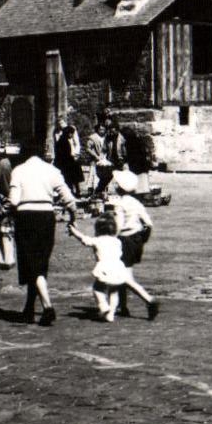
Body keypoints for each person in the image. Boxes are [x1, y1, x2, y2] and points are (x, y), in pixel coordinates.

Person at [7, 139, 79, 325]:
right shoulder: (52, 170)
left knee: (31, 264)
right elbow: (68, 198)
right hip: (47, 217)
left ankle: (47, 307)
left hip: (25, 217)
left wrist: (5, 213)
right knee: (40, 262)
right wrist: (73, 217)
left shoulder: (19, 171)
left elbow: (14, 201)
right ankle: (29, 308)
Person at [69, 212, 159, 322]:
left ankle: (104, 307)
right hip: (118, 269)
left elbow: (84, 240)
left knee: (98, 289)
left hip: (105, 268)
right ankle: (110, 313)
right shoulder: (117, 241)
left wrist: (74, 232)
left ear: (98, 229)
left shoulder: (98, 240)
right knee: (114, 291)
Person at [109, 168, 154, 317]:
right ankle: (123, 306)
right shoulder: (136, 203)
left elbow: (119, 225)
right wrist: (143, 238)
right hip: (136, 240)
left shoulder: (120, 204)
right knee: (124, 271)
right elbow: (148, 223)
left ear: (119, 188)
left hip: (124, 240)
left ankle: (148, 300)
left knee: (125, 276)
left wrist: (111, 240)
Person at [53, 122, 83, 196]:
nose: (72, 135)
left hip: (65, 161)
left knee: (73, 174)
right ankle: (73, 192)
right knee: (71, 176)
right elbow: (65, 154)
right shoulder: (64, 141)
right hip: (64, 163)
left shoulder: (63, 140)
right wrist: (73, 158)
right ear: (68, 133)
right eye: (71, 134)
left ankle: (75, 191)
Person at [85, 117, 110, 196]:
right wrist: (96, 156)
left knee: (105, 175)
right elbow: (88, 148)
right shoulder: (93, 137)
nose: (102, 131)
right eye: (100, 129)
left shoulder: (107, 137)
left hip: (104, 159)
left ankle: (103, 191)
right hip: (95, 159)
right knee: (93, 175)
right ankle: (92, 191)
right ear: (97, 130)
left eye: (103, 129)